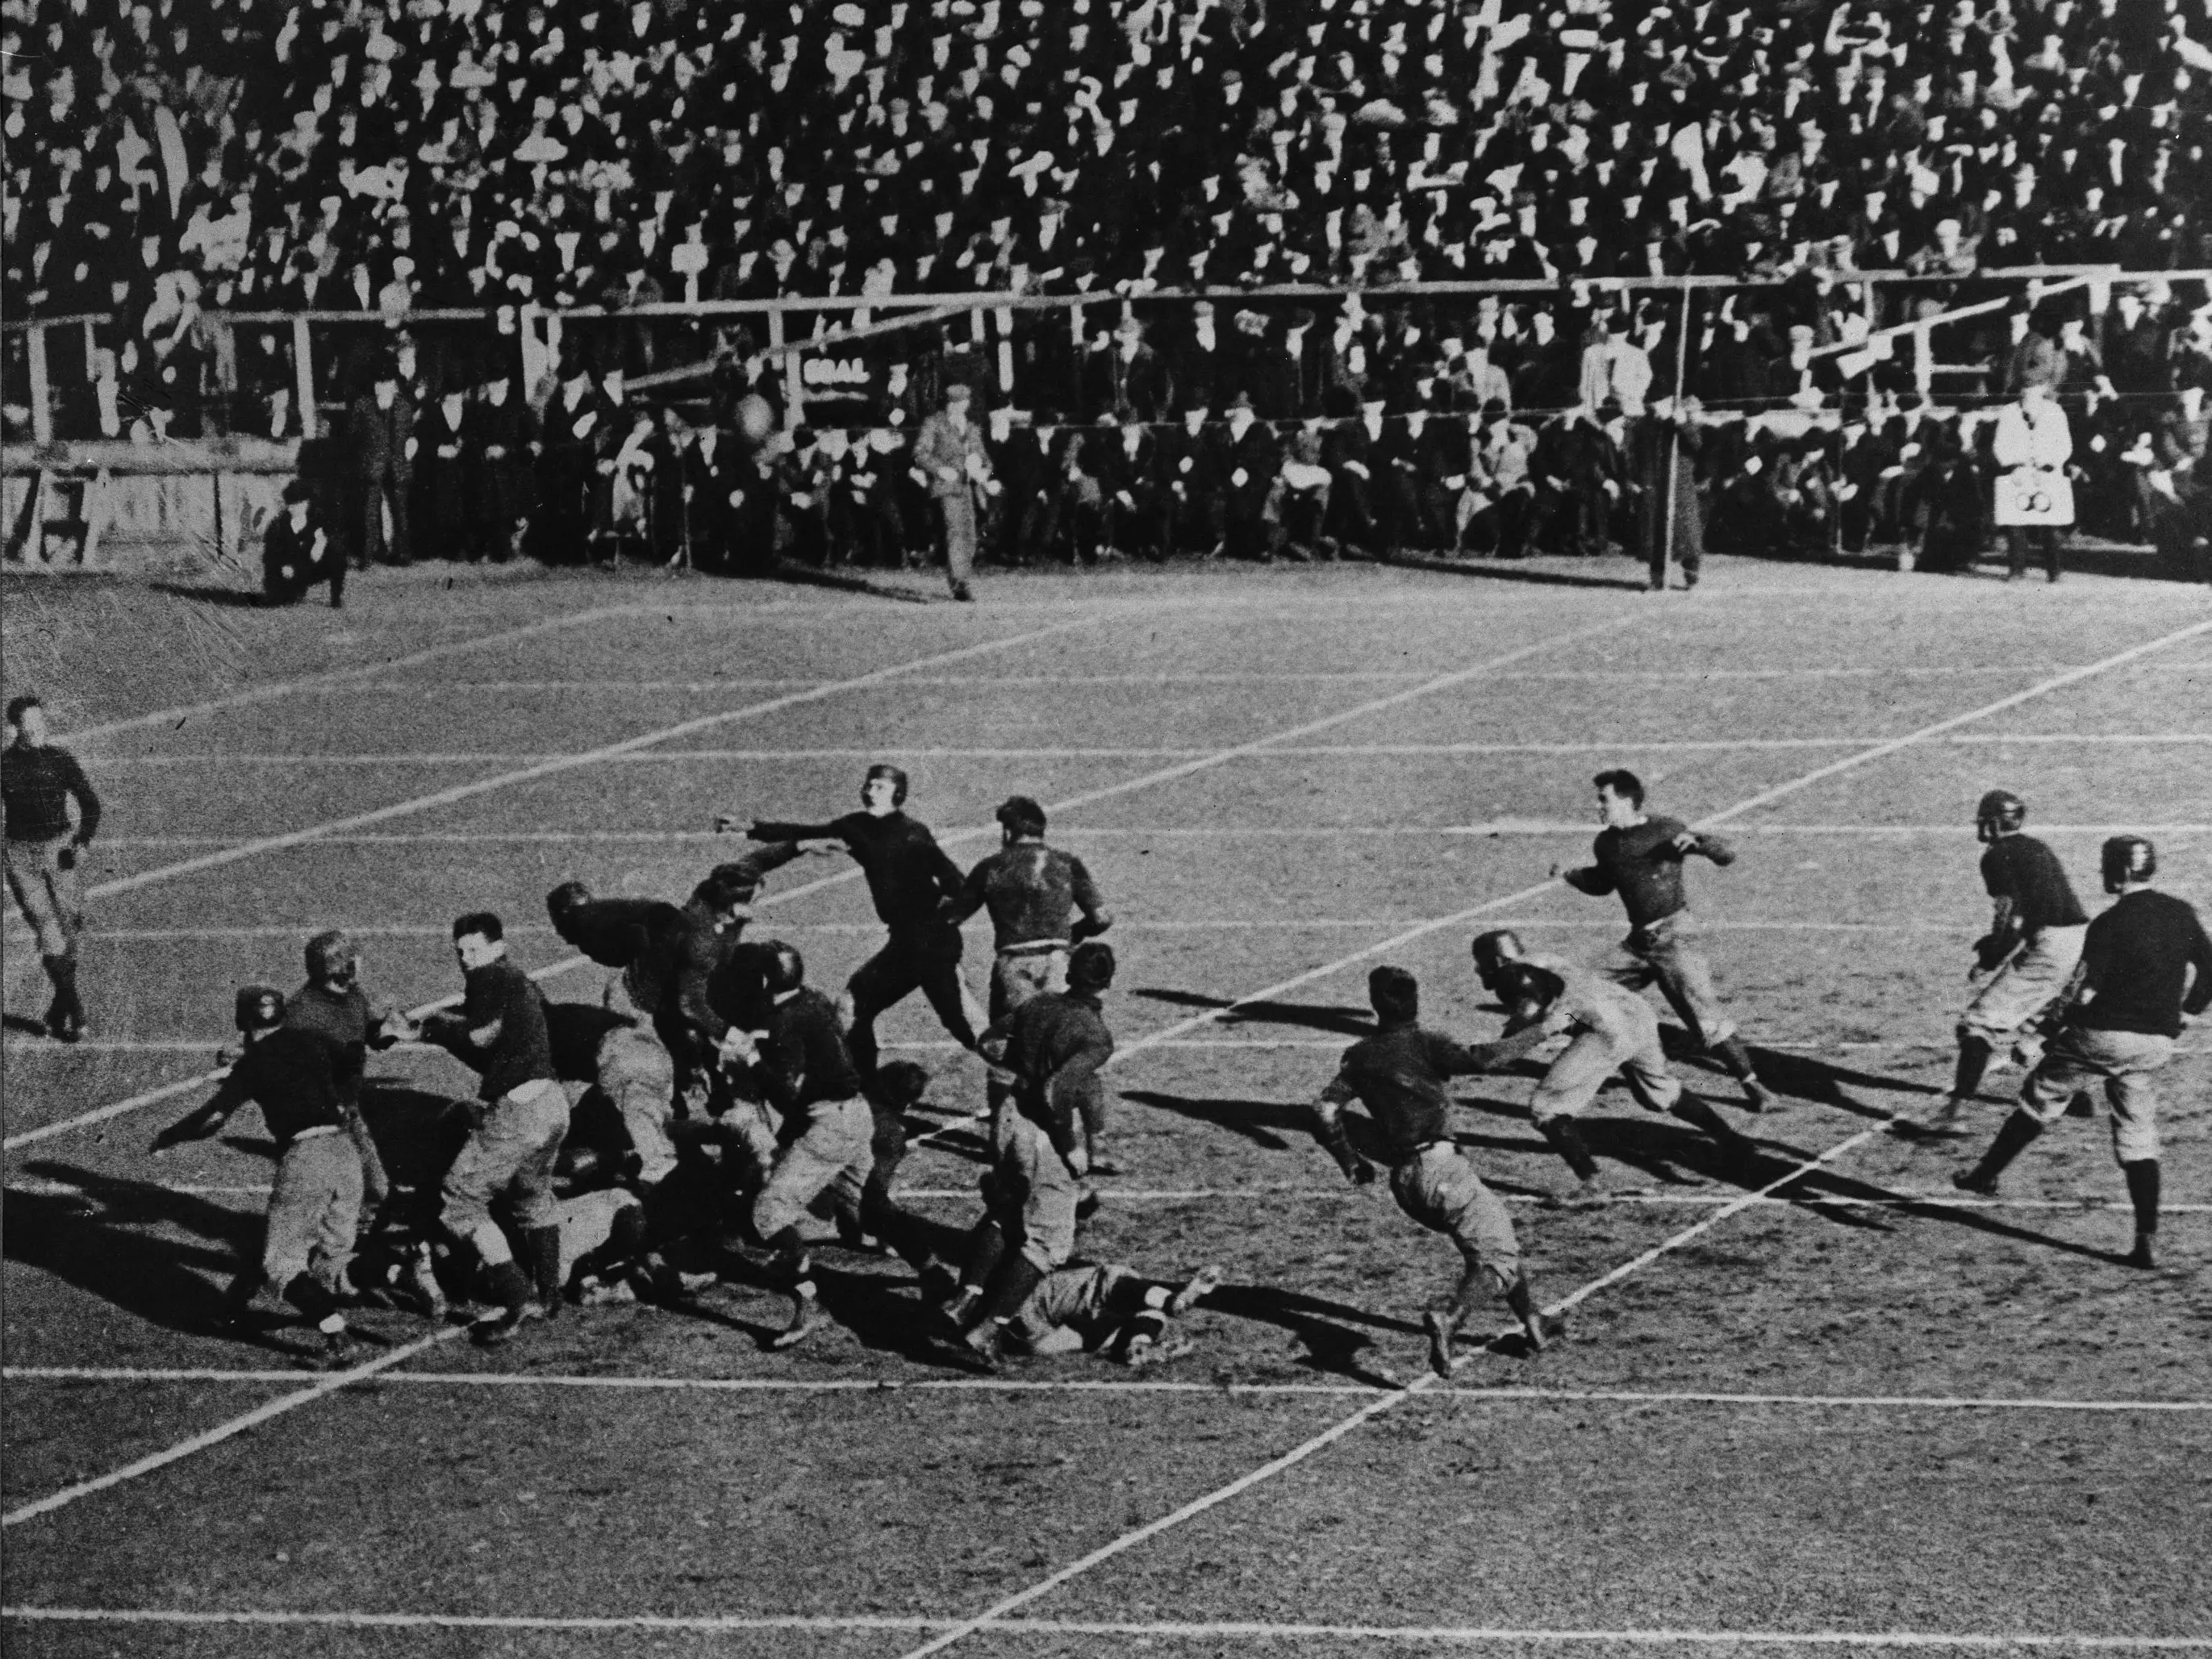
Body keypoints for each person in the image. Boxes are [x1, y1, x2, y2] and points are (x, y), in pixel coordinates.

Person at [1952, 838, 2211, 1269]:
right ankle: (2146, 1238)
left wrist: (2040, 1035)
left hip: (2099, 1037)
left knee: (2040, 1096)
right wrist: (2186, 1014)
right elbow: (2210, 967)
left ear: (2122, 872)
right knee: (2137, 1136)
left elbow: (2083, 992)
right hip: (2154, 1045)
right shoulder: (2180, 912)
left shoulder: (2109, 923)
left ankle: (1985, 1174)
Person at [1311, 966, 1548, 1377]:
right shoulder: (1424, 1043)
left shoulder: (1359, 1055)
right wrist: (1549, 1028)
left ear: (1375, 1003)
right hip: (1442, 1171)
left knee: (1492, 1239)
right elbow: (1486, 1058)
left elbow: (1325, 1110)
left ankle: (1534, 1323)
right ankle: (1450, 1318)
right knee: (1496, 1255)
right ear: (1416, 1001)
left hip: (1406, 1183)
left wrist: (1350, 1161)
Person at [152, 987, 371, 1364]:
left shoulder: (252, 1063)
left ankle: (338, 1337)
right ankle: (232, 1307)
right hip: (346, 1152)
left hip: (307, 1158)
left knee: (282, 1263)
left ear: (242, 1020)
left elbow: (213, 1118)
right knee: (320, 1253)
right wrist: (338, 1098)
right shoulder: (311, 1040)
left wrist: (170, 1135)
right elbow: (351, 1059)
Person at [728, 765, 985, 1077]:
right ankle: (864, 1083)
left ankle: (1018, 1072)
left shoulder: (914, 833)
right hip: (904, 944)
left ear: (898, 794)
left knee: (964, 1025)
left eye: (879, 787)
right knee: (852, 1006)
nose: (870, 791)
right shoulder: (856, 826)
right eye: (868, 785)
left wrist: (944, 920)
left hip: (930, 945)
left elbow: (957, 882)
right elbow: (809, 832)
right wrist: (753, 828)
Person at [1470, 931, 1756, 1204]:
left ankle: (1592, 1184)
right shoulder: (1544, 958)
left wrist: (1493, 1052)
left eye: (1482, 962)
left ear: (1498, 959)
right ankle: (1733, 1141)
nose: (1480, 970)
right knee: (1658, 1092)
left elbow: (1532, 1018)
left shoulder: (1513, 976)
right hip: (1635, 1011)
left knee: (1547, 1107)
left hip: (1605, 1027)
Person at [1555, 769, 1776, 1111]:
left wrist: (1702, 844)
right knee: (1581, 993)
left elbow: (1726, 855)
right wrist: (1570, 875)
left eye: (1604, 799)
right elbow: (1602, 883)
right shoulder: (1606, 843)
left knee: (1704, 1017)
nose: (1597, 806)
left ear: (1626, 800)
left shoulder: (1664, 829)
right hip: (1639, 943)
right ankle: (1609, 1060)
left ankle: (1756, 1088)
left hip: (1675, 938)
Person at [945, 940, 1120, 1370]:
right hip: (1041, 1132)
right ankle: (987, 1330)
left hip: (1007, 1119)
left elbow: (988, 1042)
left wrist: (1024, 1065)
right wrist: (1070, 1145)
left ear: (1070, 973)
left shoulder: (1037, 1005)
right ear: (1107, 982)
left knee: (1007, 1211)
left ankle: (964, 1298)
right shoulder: (1094, 1034)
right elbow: (1056, 1090)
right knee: (1047, 1243)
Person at [394, 912, 566, 1344]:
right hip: (551, 1101)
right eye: (461, 951)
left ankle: (518, 1298)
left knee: (460, 1200)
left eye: (474, 949)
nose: (466, 959)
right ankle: (550, 1296)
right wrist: (428, 1031)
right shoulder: (518, 980)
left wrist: (426, 1030)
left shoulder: (489, 977)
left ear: (498, 947)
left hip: (520, 1108)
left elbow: (480, 1037)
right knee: (532, 1196)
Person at [1924, 791, 2091, 1135]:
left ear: (1994, 823)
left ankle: (1955, 1113)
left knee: (1977, 1025)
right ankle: (2075, 1097)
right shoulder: (2036, 847)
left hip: (2051, 946)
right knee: (2035, 1024)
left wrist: (1991, 958)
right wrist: (1997, 943)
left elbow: (2012, 915)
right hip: (2080, 942)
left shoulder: (1997, 855)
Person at [739, 943, 876, 1349]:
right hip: (856, 1112)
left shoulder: (785, 1020)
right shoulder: (813, 1000)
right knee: (874, 1207)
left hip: (829, 1124)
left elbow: (787, 1094)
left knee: (768, 1212)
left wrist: (751, 1063)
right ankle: (948, 1282)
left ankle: (807, 1302)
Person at [945, 795, 1113, 1027]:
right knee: (1058, 1035)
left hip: (1014, 964)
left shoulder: (990, 867)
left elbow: (953, 918)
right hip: (1059, 962)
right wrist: (1074, 933)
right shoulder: (1068, 863)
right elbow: (1102, 918)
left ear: (1007, 831)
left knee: (1011, 1038)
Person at [282, 930, 406, 1223]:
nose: (360, 962)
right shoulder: (303, 1013)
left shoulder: (353, 995)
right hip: (321, 1118)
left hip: (348, 1109)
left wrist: (390, 1030)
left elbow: (372, 1036)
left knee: (374, 1190)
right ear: (343, 966)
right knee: (350, 1191)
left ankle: (351, 1239)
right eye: (355, 958)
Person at [2, 694, 100, 1042]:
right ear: (15, 727)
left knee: (70, 931)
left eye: (40, 721)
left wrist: (82, 842)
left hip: (59, 851)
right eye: (28, 723)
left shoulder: (60, 759)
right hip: (20, 856)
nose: (36, 728)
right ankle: (76, 1009)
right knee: (47, 930)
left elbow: (90, 803)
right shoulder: (4, 765)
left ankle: (59, 1007)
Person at [999, 1259, 1223, 1366]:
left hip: (1036, 1328)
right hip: (1036, 1302)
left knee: (1127, 1310)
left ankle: (1139, 1342)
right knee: (1109, 1284)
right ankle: (1165, 1308)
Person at [912, 381, 992, 600]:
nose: (957, 407)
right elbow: (920, 454)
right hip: (946, 486)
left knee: (970, 536)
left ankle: (960, 577)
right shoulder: (934, 424)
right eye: (953, 403)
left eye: (961, 403)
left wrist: (982, 469)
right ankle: (959, 583)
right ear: (947, 404)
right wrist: (940, 469)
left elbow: (985, 459)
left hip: (968, 486)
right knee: (956, 532)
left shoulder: (972, 428)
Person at [1992, 380, 2073, 583]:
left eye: (2035, 387)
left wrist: (2049, 464)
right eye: (2025, 388)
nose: (2029, 392)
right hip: (2018, 474)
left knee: (2051, 524)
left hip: (2048, 473)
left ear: (2043, 389)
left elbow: (2065, 445)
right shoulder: (2009, 412)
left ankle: (2055, 571)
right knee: (2015, 522)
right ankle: (2016, 570)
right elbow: (2000, 445)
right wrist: (2014, 464)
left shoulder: (2055, 411)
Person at [261, 480, 344, 607]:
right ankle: (289, 592)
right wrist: (282, 565)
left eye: (296, 504)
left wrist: (321, 541)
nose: (291, 508)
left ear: (306, 503)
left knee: (337, 553)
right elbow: (269, 556)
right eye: (289, 504)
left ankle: (336, 598)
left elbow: (332, 537)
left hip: (308, 567)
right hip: (285, 571)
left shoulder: (317, 518)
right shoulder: (277, 526)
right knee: (281, 600)